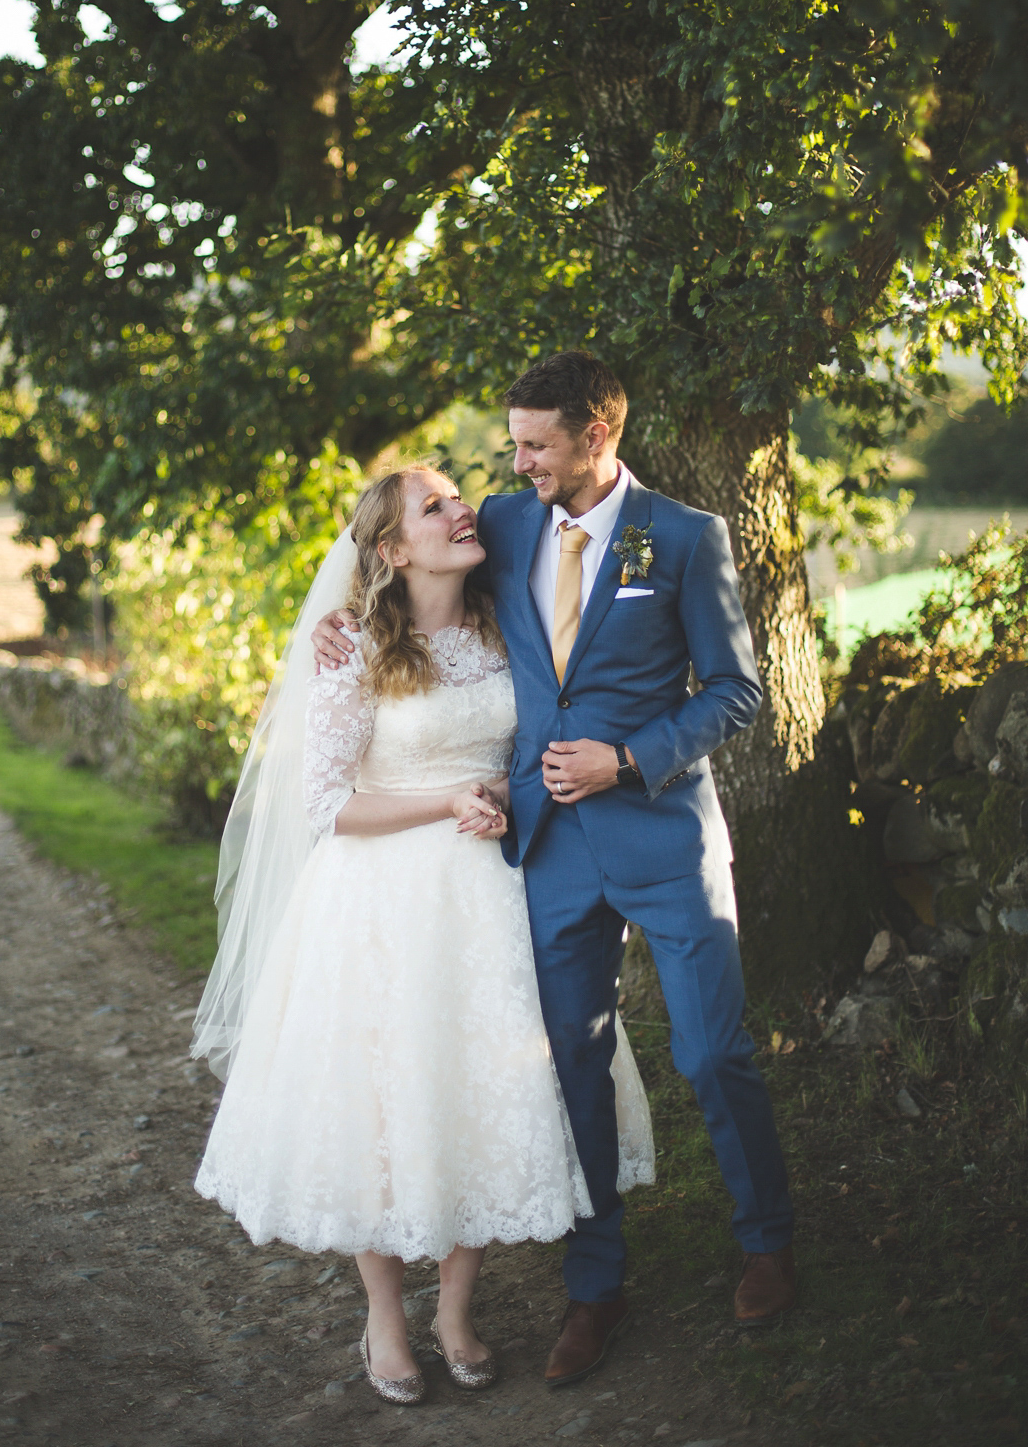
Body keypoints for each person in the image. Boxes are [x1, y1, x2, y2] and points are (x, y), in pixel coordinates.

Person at [313, 351, 795, 1388]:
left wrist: (631, 757)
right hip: (542, 851)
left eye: (537, 444)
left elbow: (736, 693)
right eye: (514, 441)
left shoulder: (685, 538)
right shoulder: (507, 522)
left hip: (664, 835)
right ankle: (596, 1285)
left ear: (598, 436)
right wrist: (334, 627)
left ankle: (767, 1245)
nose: (516, 462)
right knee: (567, 1062)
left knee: (711, 1053)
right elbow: (397, 568)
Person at [191, 463, 654, 1406]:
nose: (461, 509)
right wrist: (448, 798)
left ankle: (455, 1311)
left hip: (487, 896)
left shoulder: (508, 621)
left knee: (471, 1089)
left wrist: (495, 801)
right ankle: (386, 1320)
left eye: (458, 495)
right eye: (434, 505)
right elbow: (327, 804)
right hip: (379, 904)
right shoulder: (354, 646)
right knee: (383, 1102)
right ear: (395, 550)